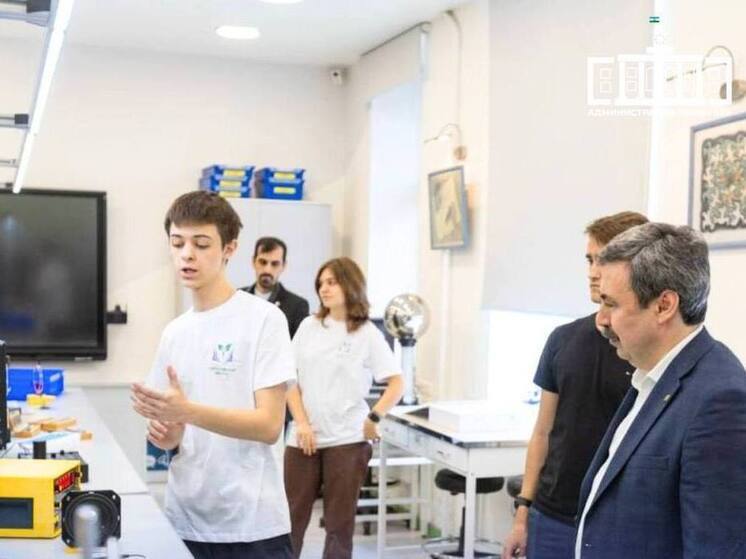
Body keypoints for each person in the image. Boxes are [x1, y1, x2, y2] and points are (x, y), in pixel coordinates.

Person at [131, 191, 295, 559]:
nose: (187, 254)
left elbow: (269, 425)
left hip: (252, 524)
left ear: (229, 249)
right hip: (186, 519)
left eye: (201, 244)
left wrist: (186, 412)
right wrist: (169, 434)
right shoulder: (175, 332)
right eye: (178, 243)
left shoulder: (264, 320)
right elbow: (169, 436)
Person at [575, 222, 746, 558]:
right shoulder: (650, 377)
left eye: (612, 304)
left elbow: (717, 548)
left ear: (664, 305)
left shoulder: (720, 401)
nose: (601, 320)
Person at [503, 211, 648, 559]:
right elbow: (543, 432)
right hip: (552, 516)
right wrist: (523, 513)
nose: (593, 271)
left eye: (604, 260)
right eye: (589, 259)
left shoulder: (646, 350)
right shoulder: (561, 339)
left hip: (616, 522)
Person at [283, 257, 404, 559]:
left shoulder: (367, 333)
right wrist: (302, 423)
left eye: (332, 282)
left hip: (347, 440)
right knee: (290, 520)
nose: (323, 288)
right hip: (303, 438)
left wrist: (374, 417)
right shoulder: (309, 326)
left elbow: (396, 382)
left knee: (339, 526)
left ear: (350, 285)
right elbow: (289, 380)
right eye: (321, 283)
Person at [240, 237, 309, 339]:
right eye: (263, 262)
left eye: (275, 264)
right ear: (253, 262)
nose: (267, 270)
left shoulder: (297, 306)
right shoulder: (236, 298)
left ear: (283, 266)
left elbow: (298, 346)